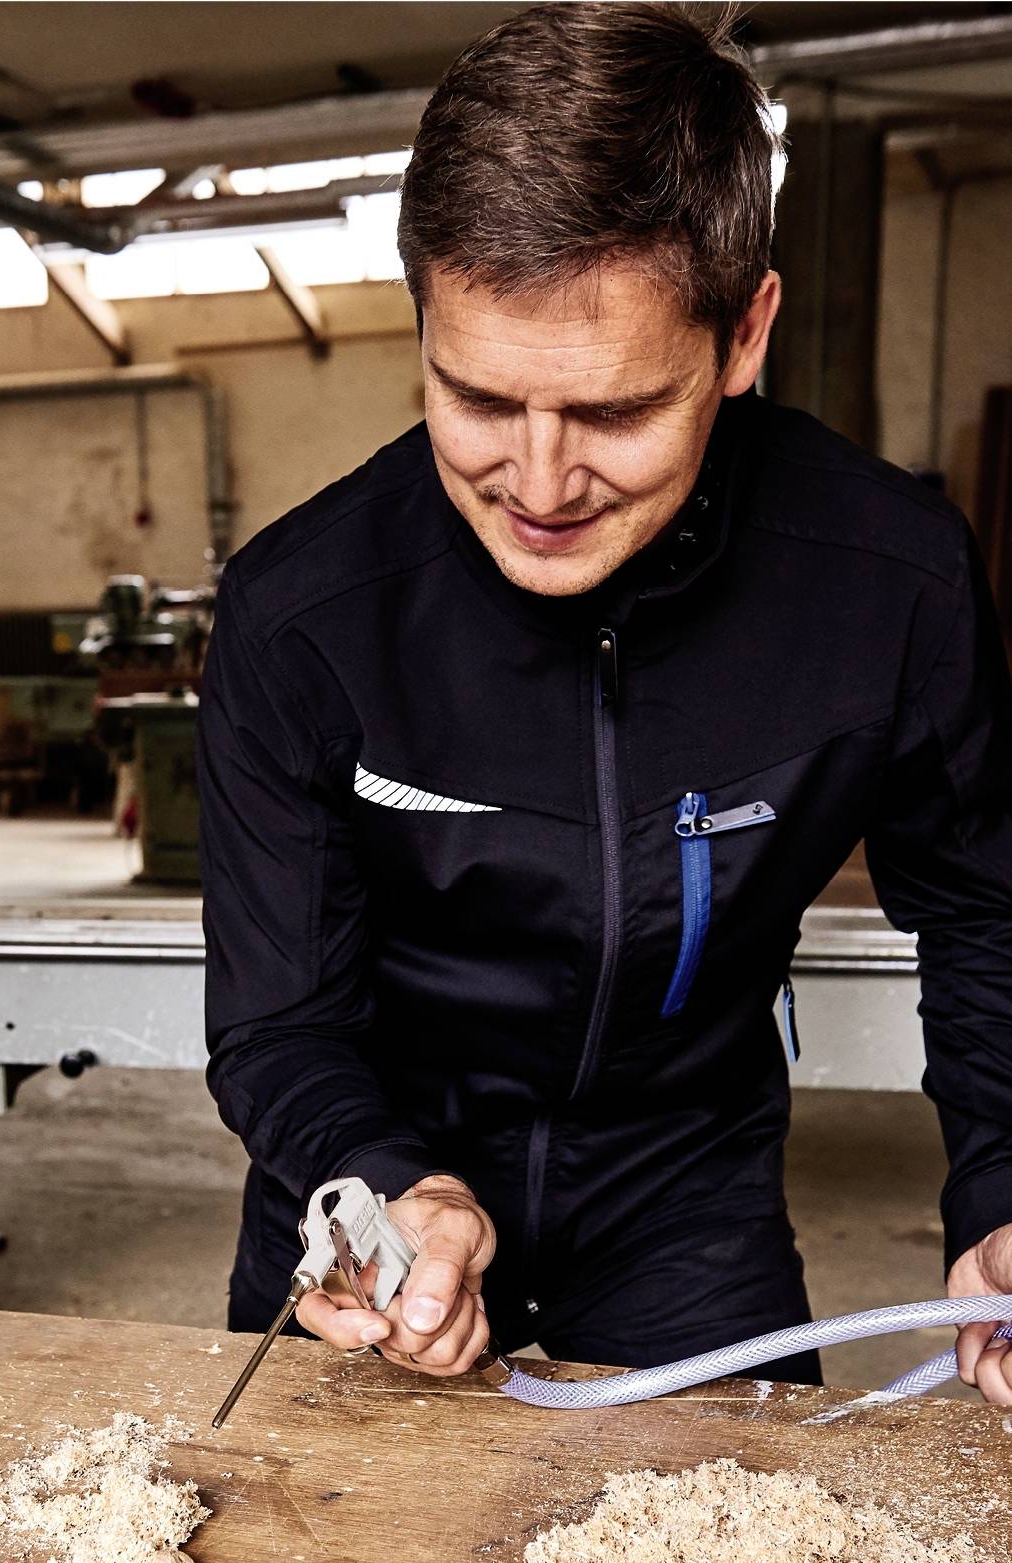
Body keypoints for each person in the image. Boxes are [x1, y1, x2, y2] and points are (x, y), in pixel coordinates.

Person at [196, 3, 1012, 1403]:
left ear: (743, 332)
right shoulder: (302, 615)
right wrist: (391, 1192)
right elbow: (278, 1024)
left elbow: (989, 908)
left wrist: (999, 1189)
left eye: (616, 413)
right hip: (379, 1194)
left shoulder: (892, 584)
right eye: (476, 398)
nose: (537, 481)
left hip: (684, 1194)